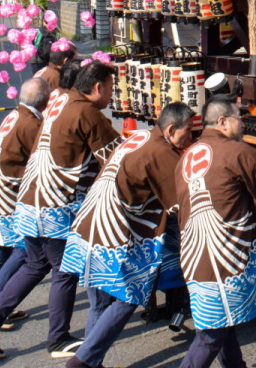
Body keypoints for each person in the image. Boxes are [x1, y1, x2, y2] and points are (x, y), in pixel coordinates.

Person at [0, 61, 121, 360]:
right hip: (54, 205)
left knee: (35, 264)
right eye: (111, 88)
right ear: (98, 87)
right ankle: (58, 339)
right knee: (65, 271)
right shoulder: (86, 111)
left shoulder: (61, 99)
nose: (112, 95)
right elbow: (117, 158)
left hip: (30, 199)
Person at [176, 94, 256, 368]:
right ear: (223, 122)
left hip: (193, 254)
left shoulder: (187, 155)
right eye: (239, 118)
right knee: (211, 334)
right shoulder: (237, 152)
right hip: (223, 257)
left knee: (221, 323)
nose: (244, 124)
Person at [60, 102, 194, 368]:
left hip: (87, 225)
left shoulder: (140, 136)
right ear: (170, 130)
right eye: (188, 131)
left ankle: (91, 360)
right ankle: (83, 360)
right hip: (113, 233)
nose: (190, 137)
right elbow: (181, 203)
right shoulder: (161, 152)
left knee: (101, 300)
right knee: (129, 294)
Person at [0, 77, 51, 329]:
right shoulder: (32, 123)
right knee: (24, 247)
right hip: (8, 189)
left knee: (0, 249)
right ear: (45, 100)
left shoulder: (15, 114)